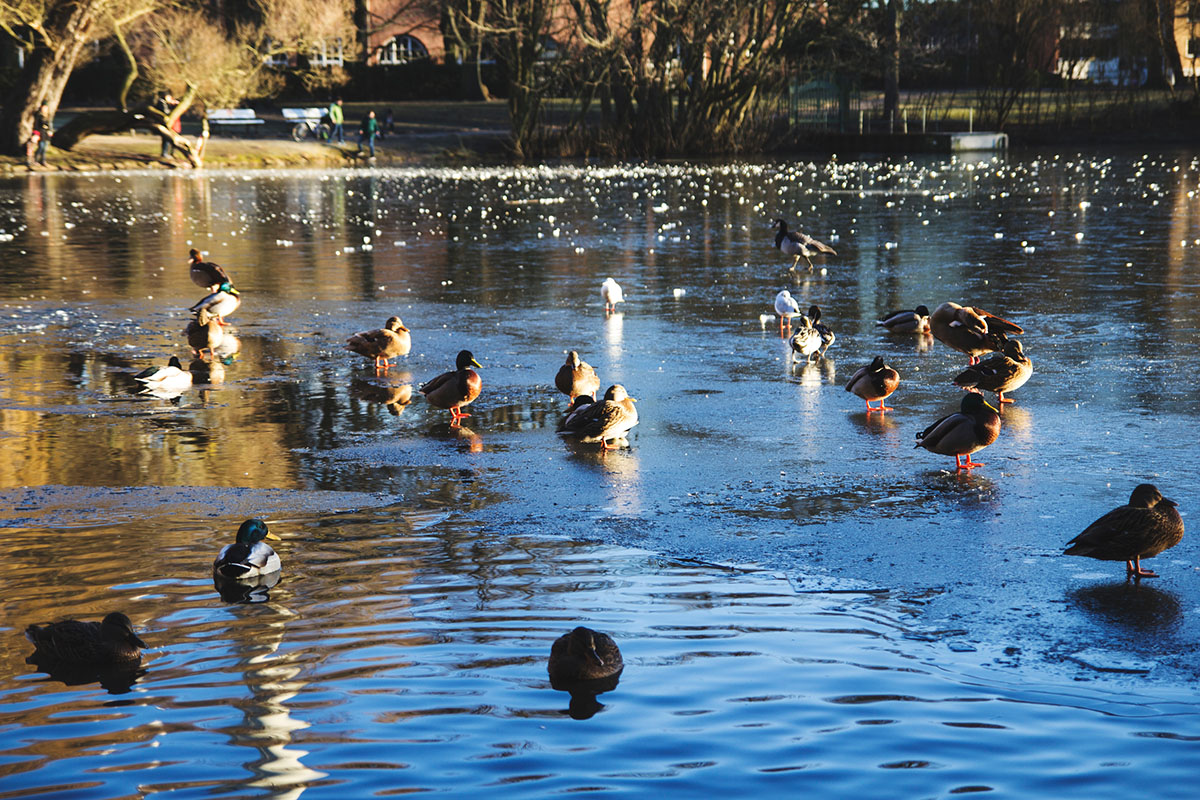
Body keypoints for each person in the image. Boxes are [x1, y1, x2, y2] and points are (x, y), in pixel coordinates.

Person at [157, 93, 179, 158]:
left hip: (173, 124)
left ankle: (170, 153)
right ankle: (165, 153)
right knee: (166, 138)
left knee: (171, 138)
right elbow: (165, 112)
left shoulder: (167, 104)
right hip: (166, 123)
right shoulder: (162, 103)